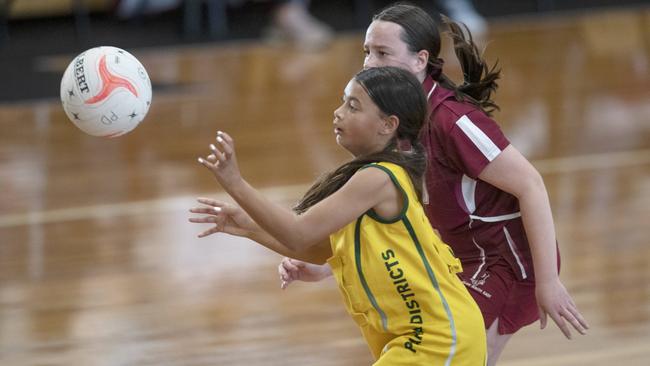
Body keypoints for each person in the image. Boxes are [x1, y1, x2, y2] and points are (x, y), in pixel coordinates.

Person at [277, 3, 589, 365]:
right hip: (454, 258)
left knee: (460, 348)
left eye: (382, 53)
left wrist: (547, 282)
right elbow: (386, 220)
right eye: (366, 52)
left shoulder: (453, 121)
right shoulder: (395, 121)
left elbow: (532, 185)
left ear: (420, 60)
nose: (368, 64)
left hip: (505, 262)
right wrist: (329, 265)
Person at [189, 66, 487, 365]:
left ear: (387, 124)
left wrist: (236, 183)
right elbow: (313, 248)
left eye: (353, 106)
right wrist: (244, 226)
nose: (338, 112)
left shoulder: (379, 177)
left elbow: (298, 232)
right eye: (343, 101)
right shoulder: (370, 178)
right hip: (422, 336)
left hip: (439, 338)